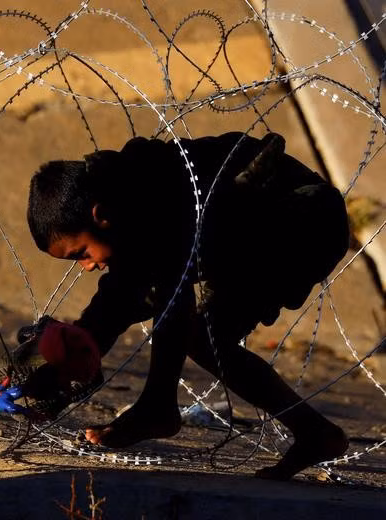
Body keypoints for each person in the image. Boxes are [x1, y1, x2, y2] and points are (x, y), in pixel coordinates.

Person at [25, 132, 350, 480]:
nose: (86, 266)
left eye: (81, 254)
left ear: (100, 215)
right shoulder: (128, 201)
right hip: (256, 229)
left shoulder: (149, 193)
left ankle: (158, 406)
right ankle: (316, 433)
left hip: (304, 220)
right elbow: (121, 294)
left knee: (179, 293)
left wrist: (82, 345)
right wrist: (64, 359)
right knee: (198, 328)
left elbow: (143, 285)